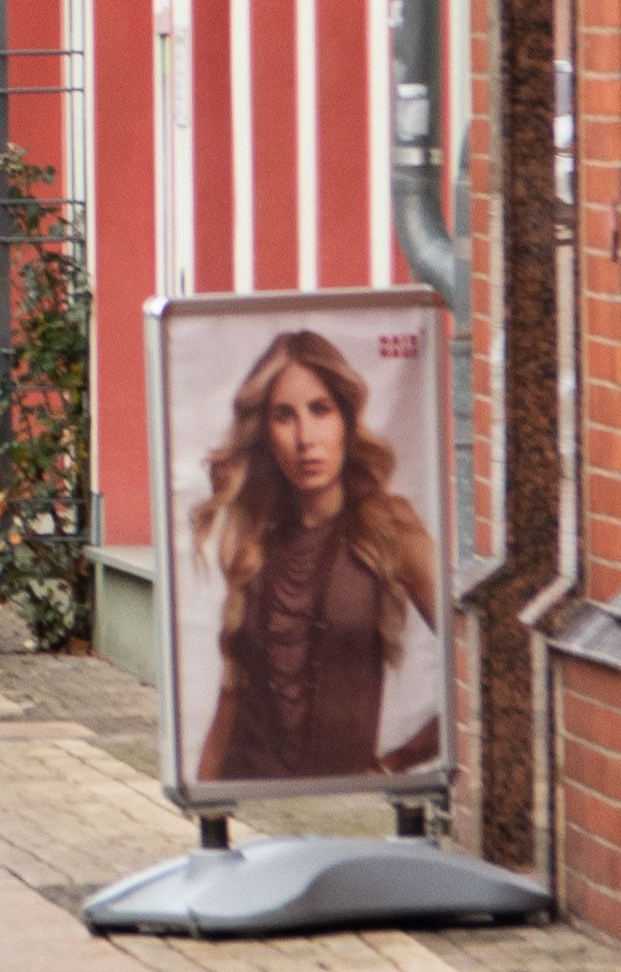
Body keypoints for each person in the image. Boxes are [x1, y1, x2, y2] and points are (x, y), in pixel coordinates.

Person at [186, 328, 449, 791]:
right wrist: (202, 802)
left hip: (343, 809)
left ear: (346, 420)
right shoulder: (254, 539)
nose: (305, 437)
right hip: (248, 794)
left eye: (320, 410)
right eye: (284, 416)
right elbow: (232, 696)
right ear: (265, 433)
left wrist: (398, 762)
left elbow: (474, 668)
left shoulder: (391, 529)